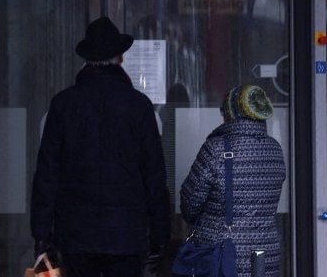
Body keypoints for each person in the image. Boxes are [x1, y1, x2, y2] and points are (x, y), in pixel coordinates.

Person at [31, 17, 171, 277]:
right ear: (120, 58)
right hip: (127, 235)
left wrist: (41, 236)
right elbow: (154, 177)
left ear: (86, 60)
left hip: (75, 234)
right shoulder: (138, 106)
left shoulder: (63, 104)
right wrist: (160, 237)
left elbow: (47, 175)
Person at [179, 85, 286, 277]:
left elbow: (190, 204)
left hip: (221, 256)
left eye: (224, 111)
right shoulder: (275, 149)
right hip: (265, 255)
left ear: (231, 114)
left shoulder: (215, 149)